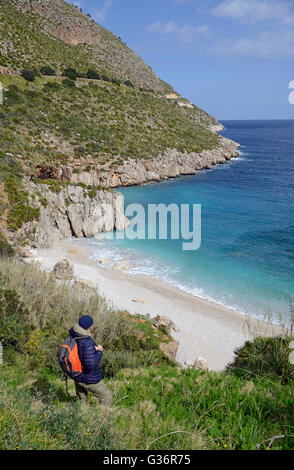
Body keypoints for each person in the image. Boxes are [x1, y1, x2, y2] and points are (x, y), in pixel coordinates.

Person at [69, 315, 112, 405]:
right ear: (90, 326)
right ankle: (101, 418)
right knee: (106, 396)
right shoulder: (87, 341)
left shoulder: (74, 334)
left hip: (77, 374)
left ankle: (78, 416)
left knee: (81, 400)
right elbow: (90, 364)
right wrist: (99, 352)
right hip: (87, 377)